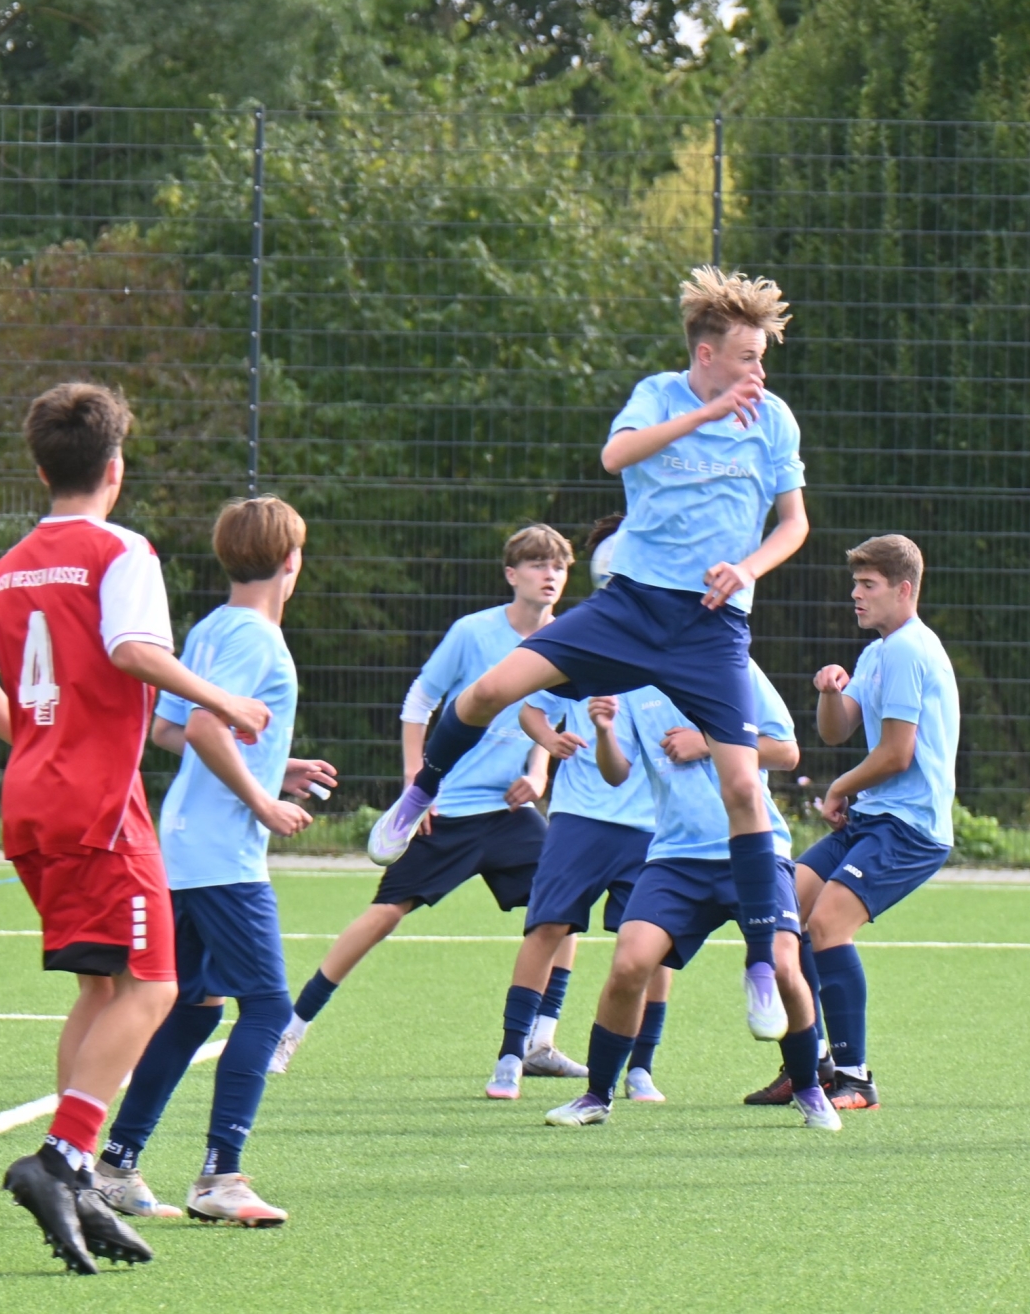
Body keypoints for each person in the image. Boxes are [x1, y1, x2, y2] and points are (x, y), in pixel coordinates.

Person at [364, 268, 810, 1043]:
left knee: (743, 787)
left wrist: (749, 569)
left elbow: (794, 523)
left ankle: (762, 963)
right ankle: (419, 794)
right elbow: (616, 456)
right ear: (706, 355)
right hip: (630, 608)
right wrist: (708, 413)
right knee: (488, 691)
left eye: (763, 358)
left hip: (710, 628)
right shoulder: (661, 396)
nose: (758, 372)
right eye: (747, 357)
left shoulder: (773, 420)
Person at [0, 383, 271, 1274]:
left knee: (101, 988)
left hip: (32, 799)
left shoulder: (9, 567)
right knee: (155, 987)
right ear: (116, 469)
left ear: (41, 467)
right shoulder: (122, 550)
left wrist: (39, 741)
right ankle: (61, 1162)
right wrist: (223, 701)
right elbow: (133, 650)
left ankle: (79, 1179)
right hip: (96, 804)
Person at [95, 497, 335, 1227]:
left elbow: (170, 729)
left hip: (184, 848)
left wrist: (276, 767)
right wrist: (263, 803)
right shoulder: (258, 637)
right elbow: (202, 725)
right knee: (268, 1007)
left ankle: (116, 1166)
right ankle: (221, 1177)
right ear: (291, 560)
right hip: (222, 856)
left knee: (193, 1011)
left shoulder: (210, 627)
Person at [269, 525, 576, 1076]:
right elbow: (420, 701)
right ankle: (291, 1029)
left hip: (510, 815)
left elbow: (550, 713)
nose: (549, 574)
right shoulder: (472, 632)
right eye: (537, 564)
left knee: (564, 904)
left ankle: (540, 1043)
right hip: (448, 811)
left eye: (558, 565)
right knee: (383, 915)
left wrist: (539, 771)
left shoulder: (566, 639)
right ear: (512, 575)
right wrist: (419, 786)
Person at [544, 660, 839, 1131]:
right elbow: (617, 774)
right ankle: (597, 1095)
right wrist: (603, 731)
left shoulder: (734, 666)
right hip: (675, 858)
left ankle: (808, 1088)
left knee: (785, 966)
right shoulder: (631, 682)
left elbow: (786, 752)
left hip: (755, 847)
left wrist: (705, 743)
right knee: (629, 964)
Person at [746, 535, 958, 1112]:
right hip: (872, 819)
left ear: (904, 589)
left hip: (909, 827)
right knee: (786, 911)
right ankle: (808, 1065)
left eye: (868, 585)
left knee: (828, 924)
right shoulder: (878, 652)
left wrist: (840, 786)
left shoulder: (911, 649)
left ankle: (855, 1078)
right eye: (855, 584)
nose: (855, 595)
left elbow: (897, 754)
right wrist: (829, 692)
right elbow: (836, 730)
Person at [486, 514, 676, 1103]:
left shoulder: (679, 643)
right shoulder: (584, 638)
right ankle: (511, 1055)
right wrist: (548, 740)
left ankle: (641, 1067)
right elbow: (530, 705)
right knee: (547, 926)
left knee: (653, 949)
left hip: (653, 826)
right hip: (580, 817)